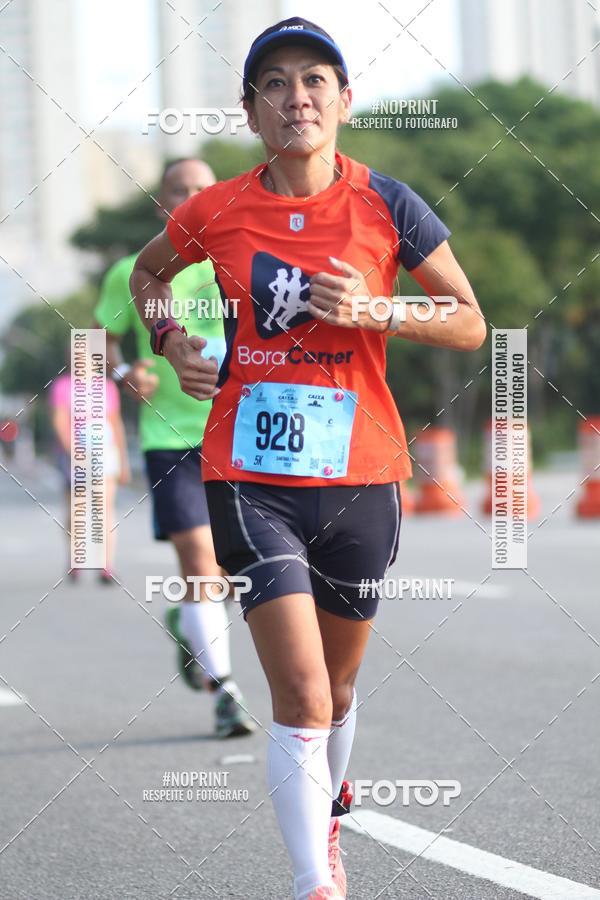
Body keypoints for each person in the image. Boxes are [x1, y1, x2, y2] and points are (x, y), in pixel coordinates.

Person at [130, 18, 486, 900]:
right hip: (248, 478)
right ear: (250, 110)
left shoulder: (388, 205)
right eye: (277, 84)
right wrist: (171, 338)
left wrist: (379, 311)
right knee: (301, 697)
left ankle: (331, 788)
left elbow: (470, 320)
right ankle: (312, 875)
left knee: (339, 685)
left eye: (315, 81)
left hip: (363, 473)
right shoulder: (214, 209)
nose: (298, 98)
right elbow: (148, 277)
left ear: (343, 101)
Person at [94, 158, 254, 739]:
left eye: (201, 188)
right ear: (165, 204)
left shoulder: (242, 262)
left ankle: (192, 627)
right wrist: (123, 374)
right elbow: (103, 342)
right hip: (170, 437)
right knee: (197, 560)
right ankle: (226, 693)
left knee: (233, 571)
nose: (191, 196)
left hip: (242, 435)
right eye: (178, 190)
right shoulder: (132, 273)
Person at [49, 362, 129, 582]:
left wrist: (123, 460)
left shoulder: (107, 387)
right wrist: (73, 452)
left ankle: (106, 564)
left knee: (104, 509)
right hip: (75, 454)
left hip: (104, 453)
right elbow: (59, 420)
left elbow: (116, 423)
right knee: (77, 510)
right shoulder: (63, 386)